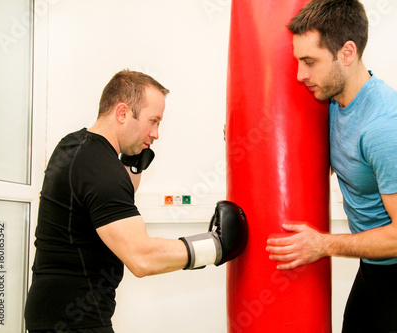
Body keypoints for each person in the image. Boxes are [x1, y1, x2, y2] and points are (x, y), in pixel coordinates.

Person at [265, 1, 397, 332]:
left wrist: (323, 244)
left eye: (309, 62)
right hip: (376, 269)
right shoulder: (331, 106)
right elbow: (309, 163)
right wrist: (254, 139)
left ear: (347, 53)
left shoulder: (386, 126)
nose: (300, 74)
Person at [25, 69, 248, 333]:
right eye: (153, 121)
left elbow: (110, 203)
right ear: (122, 113)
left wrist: (132, 164)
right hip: (75, 322)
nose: (156, 134)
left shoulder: (74, 146)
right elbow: (142, 258)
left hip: (51, 312)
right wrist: (216, 246)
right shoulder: (101, 169)